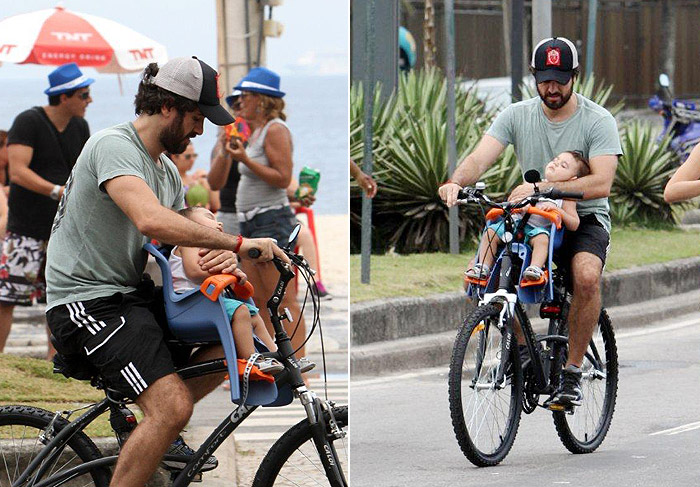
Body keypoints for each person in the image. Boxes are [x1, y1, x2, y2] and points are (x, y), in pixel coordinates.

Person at [45, 56, 286, 487]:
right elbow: (151, 220)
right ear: (169, 107)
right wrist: (236, 242)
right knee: (173, 406)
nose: (201, 130)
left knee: (227, 342)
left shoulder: (165, 171)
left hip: (127, 297)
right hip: (85, 303)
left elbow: (183, 236)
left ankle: (153, 432)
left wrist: (217, 254)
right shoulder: (113, 146)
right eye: (197, 117)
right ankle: (162, 421)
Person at [439, 37, 621, 410]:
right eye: (544, 79)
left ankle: (570, 373)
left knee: (585, 277)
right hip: (532, 217)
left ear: (574, 76)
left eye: (559, 79)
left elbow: (601, 183)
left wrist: (542, 187)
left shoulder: (598, 120)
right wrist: (457, 182)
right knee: (502, 277)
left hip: (580, 219)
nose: (551, 88)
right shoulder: (517, 115)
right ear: (534, 77)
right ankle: (523, 351)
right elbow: (480, 158)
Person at [0, 63, 93, 359]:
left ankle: (58, 363)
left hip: (62, 229)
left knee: (60, 298)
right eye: (84, 94)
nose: (89, 100)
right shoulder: (28, 121)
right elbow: (17, 172)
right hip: (25, 229)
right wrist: (57, 191)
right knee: (6, 299)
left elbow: (82, 169)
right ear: (64, 97)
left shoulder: (80, 127)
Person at [225, 67, 309, 361]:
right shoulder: (255, 131)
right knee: (259, 299)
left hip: (271, 220)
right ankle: (277, 357)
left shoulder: (275, 130)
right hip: (252, 222)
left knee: (283, 299)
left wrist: (245, 158)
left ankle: (298, 362)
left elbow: (283, 178)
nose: (239, 103)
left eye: (244, 96)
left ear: (261, 99)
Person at [171, 206, 282, 372]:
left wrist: (236, 277)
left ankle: (275, 356)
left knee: (254, 315)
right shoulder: (188, 242)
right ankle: (251, 361)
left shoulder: (208, 248)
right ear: (189, 224)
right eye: (210, 217)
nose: (219, 222)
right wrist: (222, 270)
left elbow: (219, 277)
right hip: (189, 303)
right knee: (241, 311)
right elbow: (194, 272)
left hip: (208, 302)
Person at [466, 151, 588, 284]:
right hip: (515, 226)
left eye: (563, 165)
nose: (555, 164)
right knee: (491, 232)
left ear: (572, 179)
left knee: (542, 239)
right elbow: (512, 202)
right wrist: (517, 204)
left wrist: (557, 210)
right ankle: (483, 267)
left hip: (537, 231)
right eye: (555, 160)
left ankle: (535, 269)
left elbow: (574, 223)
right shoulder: (531, 186)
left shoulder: (565, 197)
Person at [208, 88, 243, 234]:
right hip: (232, 213)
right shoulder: (227, 138)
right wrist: (225, 148)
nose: (240, 110)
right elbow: (215, 183)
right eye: (235, 106)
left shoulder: (265, 136)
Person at [169, 141, 220, 211]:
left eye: (194, 155)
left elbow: (216, 205)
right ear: (174, 157)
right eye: (188, 157)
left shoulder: (197, 180)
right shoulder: (169, 180)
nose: (192, 160)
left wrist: (208, 180)